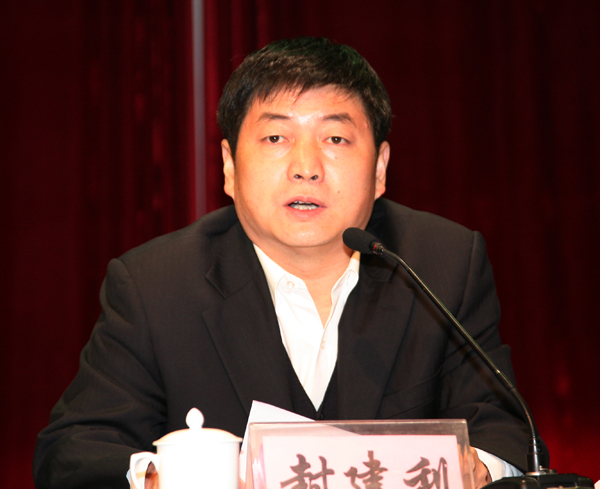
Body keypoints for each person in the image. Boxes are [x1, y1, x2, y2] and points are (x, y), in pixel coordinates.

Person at [33, 37, 531, 489]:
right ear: (229, 166)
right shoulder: (156, 285)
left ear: (380, 168)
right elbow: (73, 454)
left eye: (335, 139)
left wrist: (481, 469)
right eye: (276, 138)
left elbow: (504, 428)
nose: (306, 167)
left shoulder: (442, 262)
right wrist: (162, 479)